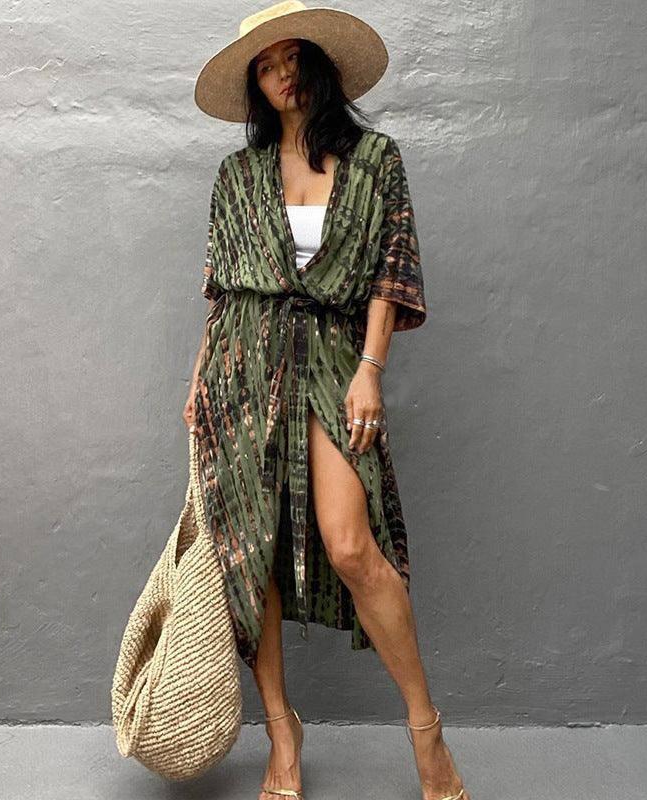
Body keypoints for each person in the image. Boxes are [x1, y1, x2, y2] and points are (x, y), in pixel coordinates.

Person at [187, 3, 471, 799]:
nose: (282, 75)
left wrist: (370, 367)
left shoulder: (376, 160)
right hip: (243, 369)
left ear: (318, 66)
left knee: (350, 546)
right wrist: (198, 381)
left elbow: (390, 270)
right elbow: (220, 289)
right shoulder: (238, 175)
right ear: (255, 84)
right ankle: (282, 732)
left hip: (335, 360)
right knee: (253, 552)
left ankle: (426, 729)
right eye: (265, 65)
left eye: (292, 58)